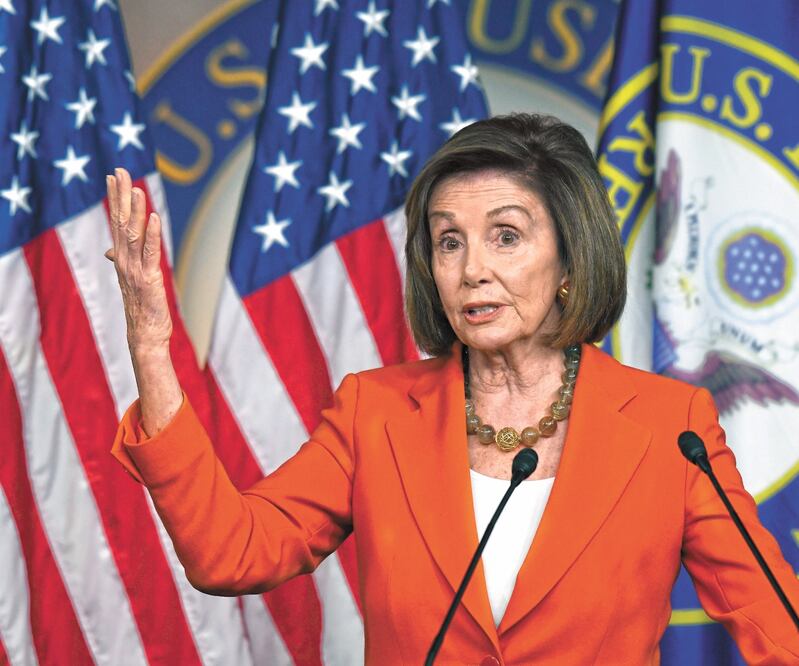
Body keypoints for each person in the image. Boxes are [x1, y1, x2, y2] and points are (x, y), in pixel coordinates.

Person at [107, 113, 799, 664]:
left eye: (505, 236)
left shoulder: (667, 426)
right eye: (447, 242)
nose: (471, 269)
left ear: (568, 256)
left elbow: (777, 628)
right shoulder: (372, 413)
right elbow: (229, 553)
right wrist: (149, 349)